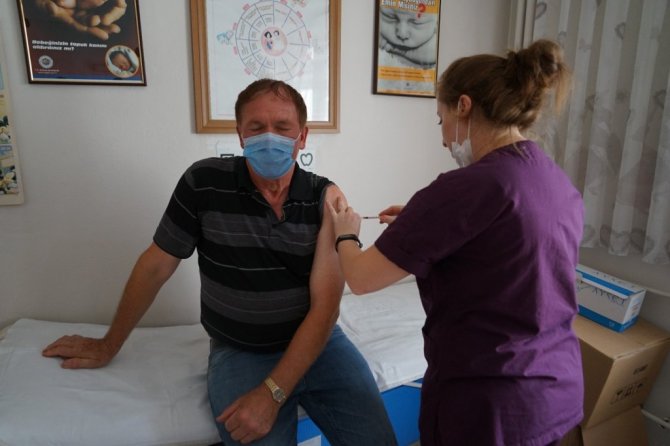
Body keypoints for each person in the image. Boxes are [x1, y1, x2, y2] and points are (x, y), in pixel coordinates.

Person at [42, 79, 398, 445]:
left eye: (282, 127)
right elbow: (155, 267)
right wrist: (109, 344)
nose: (270, 138)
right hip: (242, 350)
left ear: (302, 137)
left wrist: (272, 393)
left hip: (321, 344)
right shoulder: (203, 184)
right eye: (256, 128)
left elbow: (326, 309)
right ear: (240, 136)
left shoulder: (325, 198)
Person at [328, 39, 584, 446]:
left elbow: (360, 278)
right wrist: (424, 220)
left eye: (440, 120)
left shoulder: (466, 188)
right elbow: (509, 247)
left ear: (463, 106)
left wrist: (345, 233)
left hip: (489, 404)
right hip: (553, 391)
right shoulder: (553, 179)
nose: (444, 140)